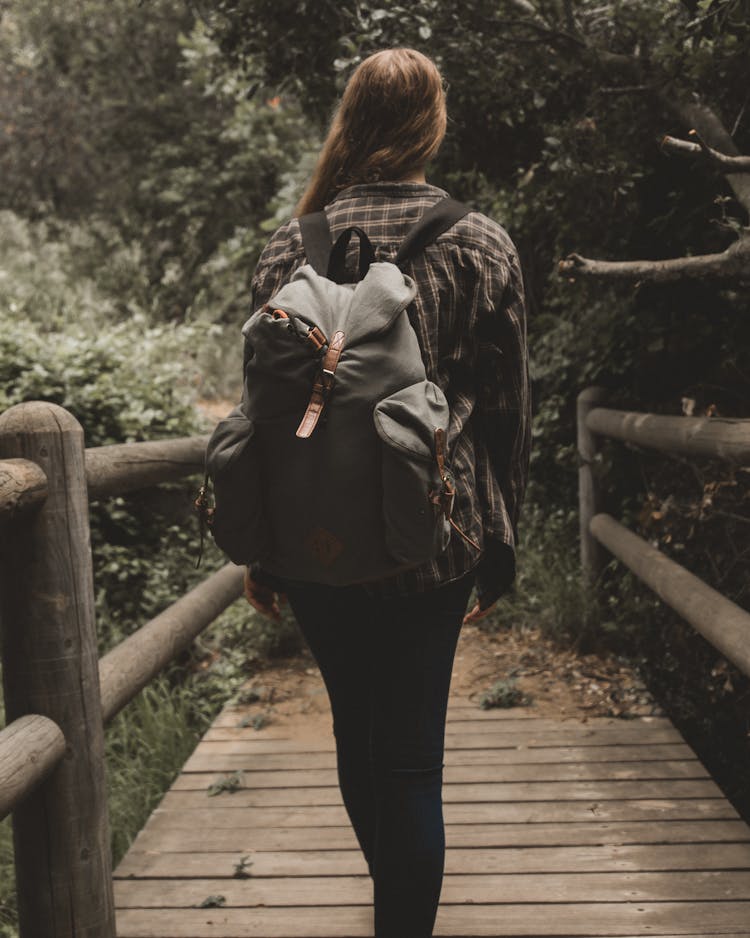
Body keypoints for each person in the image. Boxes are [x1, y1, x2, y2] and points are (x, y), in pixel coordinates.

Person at [241, 48, 530, 938]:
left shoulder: (293, 243)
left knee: (358, 745)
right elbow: (511, 406)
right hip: (434, 534)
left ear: (352, 120)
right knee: (409, 762)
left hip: (316, 537)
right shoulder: (479, 241)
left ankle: (394, 907)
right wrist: (504, 539)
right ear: (431, 125)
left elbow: (262, 406)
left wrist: (262, 546)